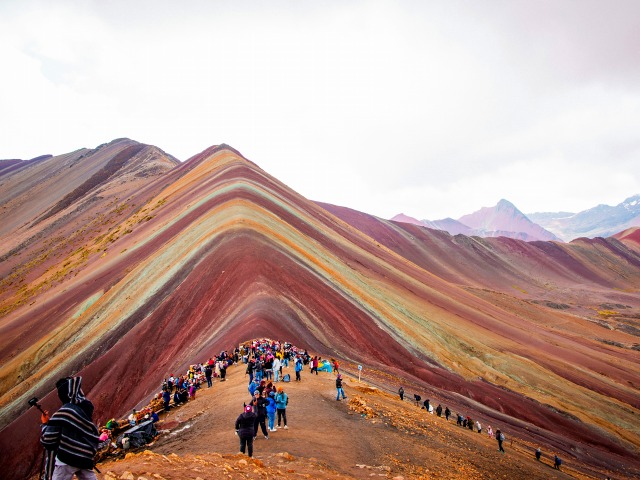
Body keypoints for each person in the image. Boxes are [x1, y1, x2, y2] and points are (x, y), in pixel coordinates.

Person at [40, 376, 100, 480]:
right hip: (85, 456)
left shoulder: (64, 413)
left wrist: (45, 424)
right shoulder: (85, 409)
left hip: (67, 459)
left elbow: (48, 440)